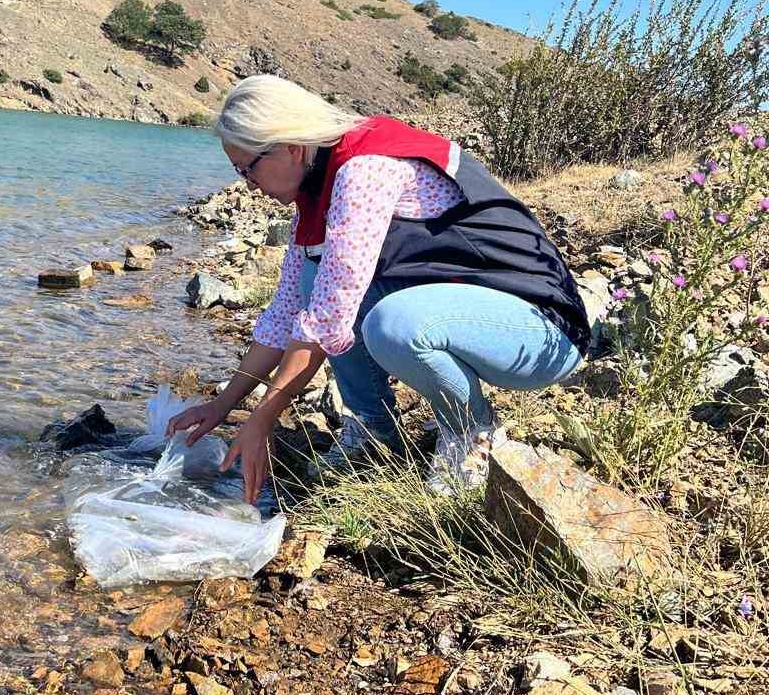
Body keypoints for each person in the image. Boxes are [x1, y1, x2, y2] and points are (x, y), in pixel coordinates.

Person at [167, 75, 589, 502]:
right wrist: (222, 405)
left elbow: (327, 318)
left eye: (247, 168)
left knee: (393, 324)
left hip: (540, 332)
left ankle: (470, 433)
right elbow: (285, 314)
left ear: (290, 147)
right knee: (320, 280)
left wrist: (262, 418)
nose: (246, 183)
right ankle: (374, 430)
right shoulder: (315, 195)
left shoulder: (366, 169)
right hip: (466, 313)